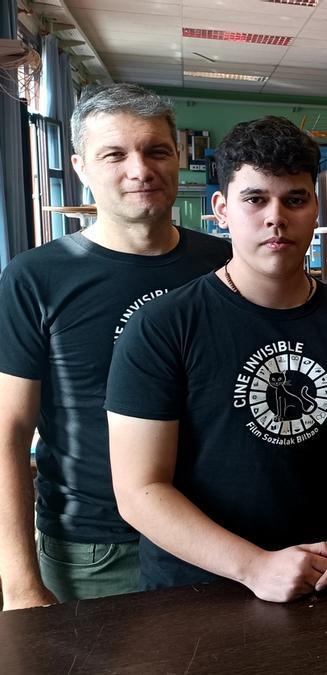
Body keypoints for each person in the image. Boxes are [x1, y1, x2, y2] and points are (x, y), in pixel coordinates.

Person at [106, 116, 327, 601]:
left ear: (316, 208)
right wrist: (253, 566)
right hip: (200, 590)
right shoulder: (161, 328)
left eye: (295, 200)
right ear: (220, 208)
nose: (276, 217)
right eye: (255, 199)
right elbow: (139, 491)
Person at [0, 83, 229, 610]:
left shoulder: (225, 266)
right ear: (80, 166)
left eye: (156, 150)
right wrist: (19, 585)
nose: (140, 169)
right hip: (98, 549)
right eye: (115, 154)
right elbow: (9, 432)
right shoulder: (36, 278)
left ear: (178, 159)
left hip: (220, 534)